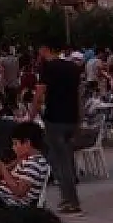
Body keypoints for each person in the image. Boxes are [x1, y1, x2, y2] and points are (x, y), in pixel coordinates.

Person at [33, 45, 83, 214]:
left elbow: (39, 93)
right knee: (64, 159)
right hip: (71, 118)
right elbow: (78, 94)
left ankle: (72, 201)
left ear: (45, 49)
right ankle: (67, 198)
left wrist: (31, 115)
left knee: (60, 162)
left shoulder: (48, 67)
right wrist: (79, 120)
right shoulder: (72, 67)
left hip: (55, 118)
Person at [0, 121, 50, 208]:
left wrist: (3, 168)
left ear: (27, 143)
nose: (13, 147)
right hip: (3, 198)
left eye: (15, 143)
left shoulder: (34, 163)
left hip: (8, 202)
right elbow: (2, 171)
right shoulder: (27, 159)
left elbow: (20, 192)